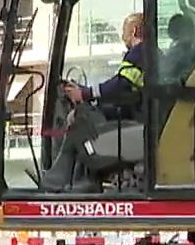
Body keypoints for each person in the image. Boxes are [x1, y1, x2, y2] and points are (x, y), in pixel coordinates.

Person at [39, 12, 147, 191]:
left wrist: (85, 94)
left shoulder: (138, 53)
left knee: (79, 122)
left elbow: (121, 85)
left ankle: (53, 185)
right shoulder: (150, 54)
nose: (122, 38)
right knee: (86, 119)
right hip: (137, 118)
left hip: (136, 124)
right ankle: (78, 180)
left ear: (134, 31)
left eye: (124, 32)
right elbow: (126, 90)